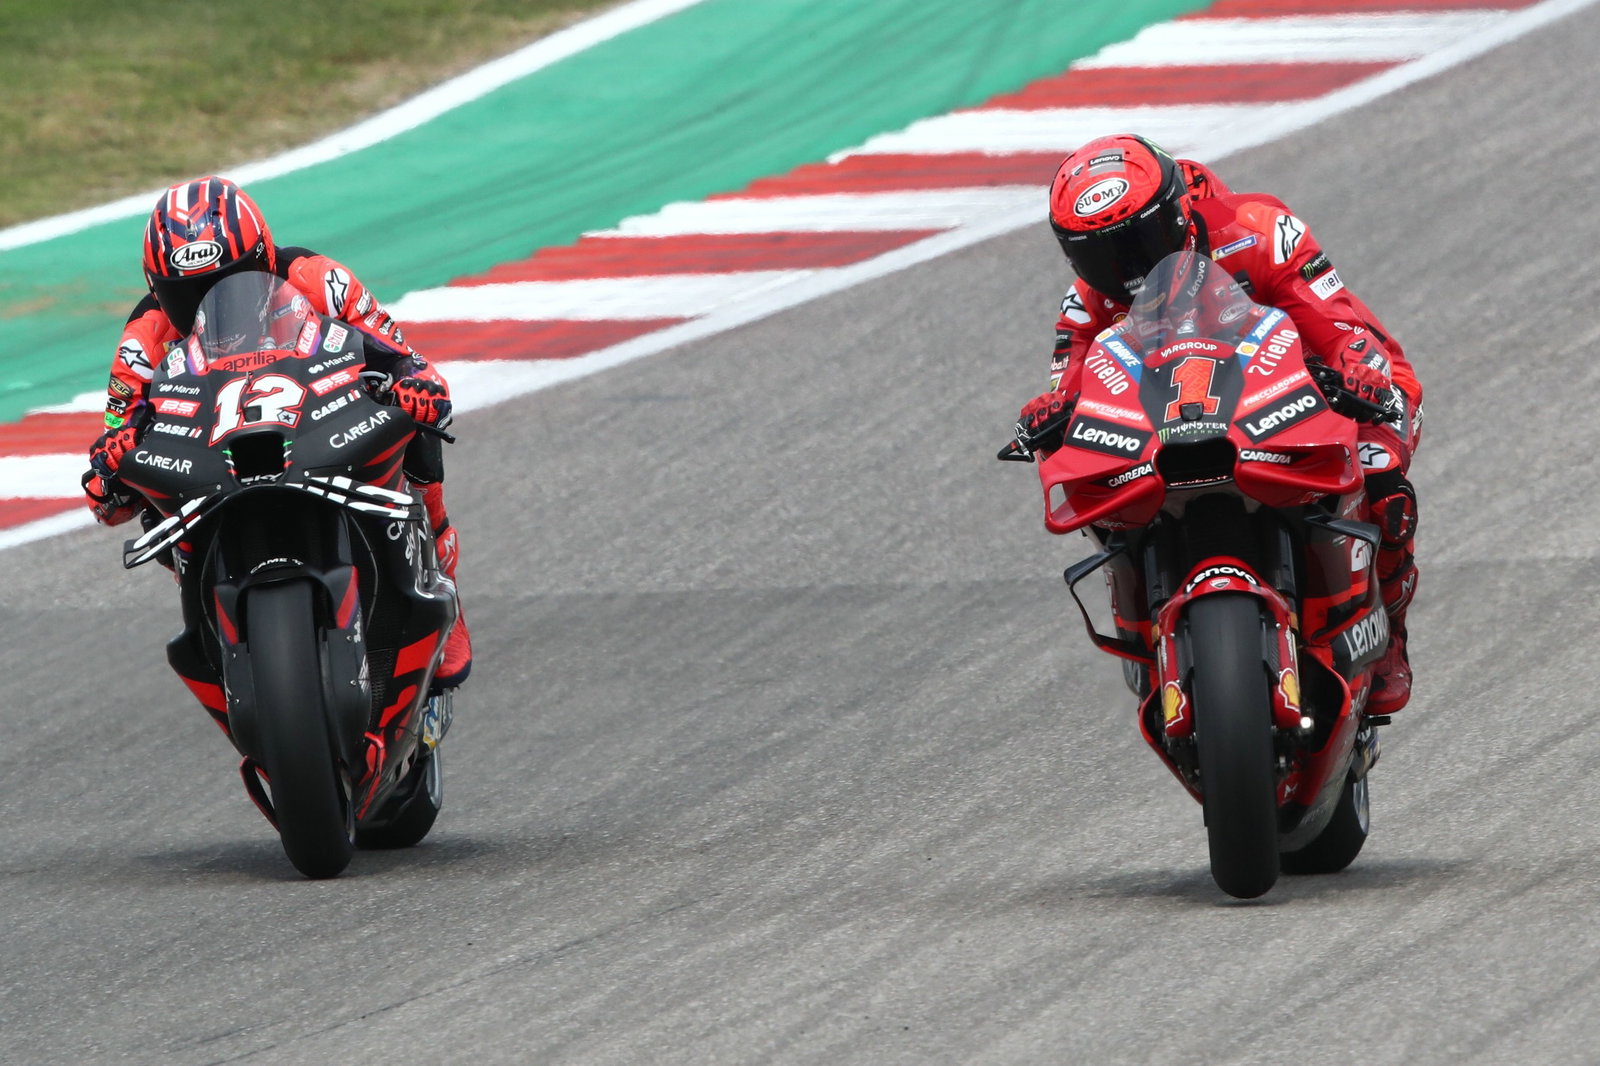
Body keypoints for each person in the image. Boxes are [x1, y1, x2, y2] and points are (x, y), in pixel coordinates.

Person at [1018, 134, 1421, 715]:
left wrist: (1359, 372)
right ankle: (1145, 628)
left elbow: (1342, 327)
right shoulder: (1086, 302)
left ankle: (1390, 639)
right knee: (1099, 485)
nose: (1126, 268)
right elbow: (1068, 386)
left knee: (1381, 471)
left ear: (1178, 212)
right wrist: (1049, 412)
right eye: (1099, 255)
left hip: (1315, 391)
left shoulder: (1259, 232)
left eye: (1141, 242)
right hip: (1182, 418)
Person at [81, 175, 472, 690]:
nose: (209, 306)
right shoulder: (144, 337)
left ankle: (438, 569)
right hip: (211, 454)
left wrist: (414, 387)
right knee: (150, 500)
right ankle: (209, 606)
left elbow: (406, 360)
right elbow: (115, 451)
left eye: (228, 282)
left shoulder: (318, 279)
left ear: (263, 258)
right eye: (188, 295)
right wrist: (111, 469)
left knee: (414, 428)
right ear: (158, 290)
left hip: (319, 423)